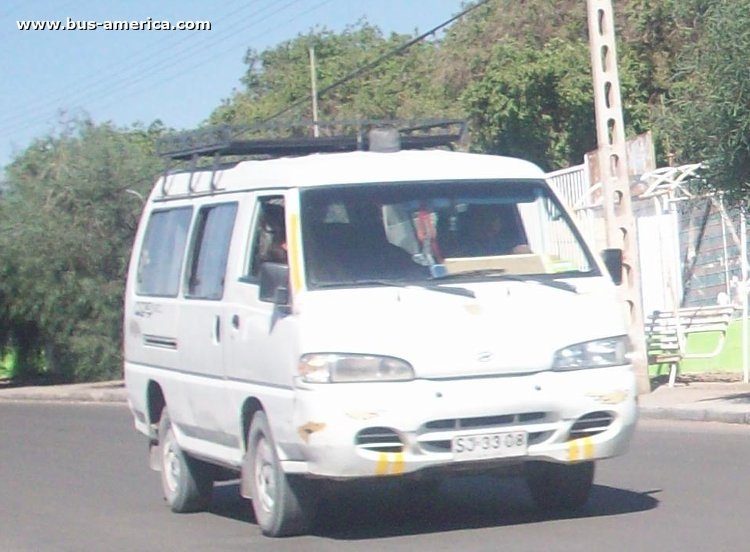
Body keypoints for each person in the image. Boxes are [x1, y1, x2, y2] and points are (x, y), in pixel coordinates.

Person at [460, 204, 531, 256]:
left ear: (501, 222)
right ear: (471, 223)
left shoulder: (512, 243)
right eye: (481, 219)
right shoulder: (461, 247)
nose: (488, 224)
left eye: (492, 219)